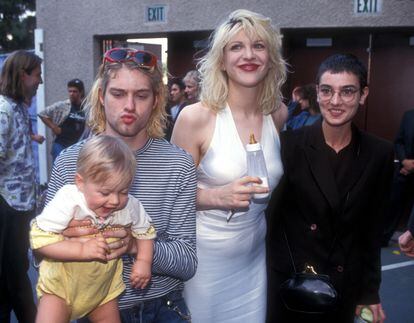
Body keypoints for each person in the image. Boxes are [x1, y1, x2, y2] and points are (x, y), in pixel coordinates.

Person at [45, 47, 197, 323]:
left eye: (141, 95)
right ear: (101, 96)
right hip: (88, 309)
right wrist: (70, 238)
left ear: (155, 101)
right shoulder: (70, 162)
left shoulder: (178, 165)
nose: (129, 106)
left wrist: (134, 245)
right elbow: (38, 252)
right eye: (118, 94)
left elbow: (187, 261)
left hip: (162, 307)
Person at [172, 9, 287, 323]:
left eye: (258, 46)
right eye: (236, 47)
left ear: (271, 58)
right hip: (203, 265)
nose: (248, 55)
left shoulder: (277, 114)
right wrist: (214, 197)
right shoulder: (196, 117)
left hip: (252, 261)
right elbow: (169, 196)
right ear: (221, 60)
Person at [266, 53, 394, 323]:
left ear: (363, 94)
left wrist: (370, 293)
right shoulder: (288, 145)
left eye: (347, 92)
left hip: (343, 284)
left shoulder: (379, 153)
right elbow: (270, 220)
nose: (335, 102)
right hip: (292, 285)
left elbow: (371, 232)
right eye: (327, 91)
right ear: (318, 93)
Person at [31, 135, 156, 322]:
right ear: (80, 183)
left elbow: (145, 232)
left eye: (123, 191)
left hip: (102, 292)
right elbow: (40, 240)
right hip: (60, 287)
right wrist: (82, 249)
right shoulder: (69, 200)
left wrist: (144, 262)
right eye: (105, 192)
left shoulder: (130, 206)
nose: (114, 201)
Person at [0, 50, 42, 323]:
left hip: (21, 205)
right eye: (37, 75)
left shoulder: (17, 108)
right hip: (7, 206)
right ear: (23, 74)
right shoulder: (3, 109)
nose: (39, 81)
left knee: (13, 272)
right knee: (11, 273)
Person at [382, 109, 414, 246]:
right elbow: (398, 141)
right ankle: (382, 239)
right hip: (404, 169)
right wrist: (405, 161)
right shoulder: (409, 115)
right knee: (392, 204)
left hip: (409, 168)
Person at [38, 78, 86, 161]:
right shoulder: (63, 105)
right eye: (70, 91)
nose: (71, 94)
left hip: (76, 147)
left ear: (81, 92)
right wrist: (54, 127)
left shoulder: (85, 108)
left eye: (75, 91)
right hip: (60, 144)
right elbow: (42, 114)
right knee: (59, 171)